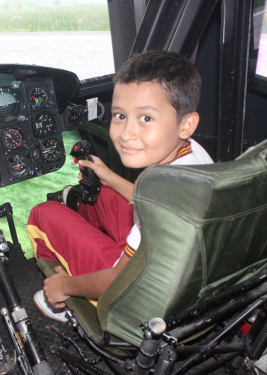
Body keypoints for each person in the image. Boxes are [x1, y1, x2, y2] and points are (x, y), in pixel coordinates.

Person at [27, 50, 213, 322]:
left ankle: (69, 303)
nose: (126, 133)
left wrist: (65, 286)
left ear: (186, 124)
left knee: (43, 213)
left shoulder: (162, 197)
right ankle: (83, 225)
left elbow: (119, 280)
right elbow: (149, 200)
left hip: (135, 293)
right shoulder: (193, 155)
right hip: (180, 272)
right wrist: (109, 176)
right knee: (104, 193)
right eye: (120, 116)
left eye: (146, 118)